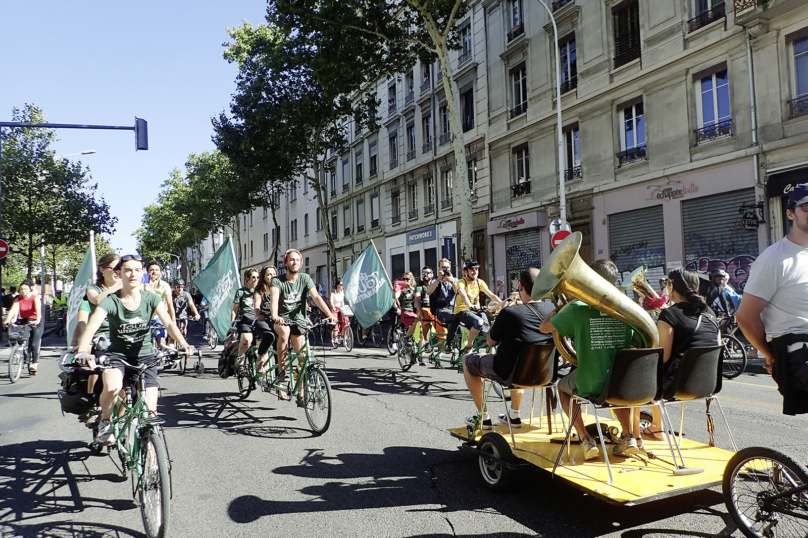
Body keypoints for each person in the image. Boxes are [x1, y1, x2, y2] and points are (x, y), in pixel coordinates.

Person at [76, 254, 193, 445]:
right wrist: (83, 350)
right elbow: (91, 326)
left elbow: (170, 323)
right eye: (127, 270)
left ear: (142, 274)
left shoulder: (151, 299)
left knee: (150, 413)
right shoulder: (111, 301)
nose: (133, 274)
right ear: (119, 274)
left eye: (137, 270)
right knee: (113, 387)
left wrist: (184, 344)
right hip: (117, 356)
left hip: (145, 357)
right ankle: (106, 421)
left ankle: (152, 457)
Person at [540, 259, 638, 460]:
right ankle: (628, 436)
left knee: (561, 387)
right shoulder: (628, 308)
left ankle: (586, 438)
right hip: (622, 382)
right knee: (613, 393)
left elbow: (545, 328)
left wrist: (560, 309)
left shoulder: (576, 308)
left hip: (591, 382)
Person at [737, 184, 808, 416]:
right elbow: (745, 316)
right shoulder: (775, 259)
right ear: (790, 213)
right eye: (806, 207)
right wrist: (770, 354)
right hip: (800, 353)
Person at [463, 268, 555, 429]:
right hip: (545, 375)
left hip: (511, 374)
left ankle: (483, 418)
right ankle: (514, 415)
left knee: (467, 361)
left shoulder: (510, 313)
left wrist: (501, 316)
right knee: (520, 362)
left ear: (520, 286)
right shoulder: (553, 311)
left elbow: (490, 342)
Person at [643, 268, 720, 439]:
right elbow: (717, 347)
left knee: (639, 375)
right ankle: (655, 425)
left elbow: (663, 356)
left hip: (677, 386)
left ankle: (642, 433)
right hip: (709, 385)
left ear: (671, 286)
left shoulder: (669, 315)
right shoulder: (711, 314)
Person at [270, 249, 336, 404]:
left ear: (301, 263)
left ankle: (301, 393)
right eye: (291, 260)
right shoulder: (277, 281)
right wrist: (275, 316)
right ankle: (282, 371)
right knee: (284, 332)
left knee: (302, 359)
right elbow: (274, 299)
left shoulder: (305, 278)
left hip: (299, 321)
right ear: (285, 263)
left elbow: (316, 297)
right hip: (281, 321)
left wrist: (330, 314)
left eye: (297, 260)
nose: (295, 262)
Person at [454, 259, 501, 354]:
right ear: (465, 271)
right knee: (479, 322)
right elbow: (463, 295)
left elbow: (492, 295)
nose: (474, 271)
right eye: (471, 269)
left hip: (477, 311)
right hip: (463, 311)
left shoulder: (479, 282)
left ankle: (491, 356)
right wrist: (470, 306)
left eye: (476, 268)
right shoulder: (462, 282)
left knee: (490, 330)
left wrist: (503, 303)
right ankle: (469, 346)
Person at [3, 279, 43, 375]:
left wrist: (37, 320)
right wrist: (7, 320)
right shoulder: (18, 299)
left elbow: (38, 310)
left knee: (34, 344)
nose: (23, 291)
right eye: (21, 289)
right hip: (25, 320)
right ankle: (25, 358)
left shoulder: (35, 298)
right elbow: (13, 310)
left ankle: (34, 363)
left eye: (25, 289)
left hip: (36, 322)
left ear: (29, 290)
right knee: (22, 339)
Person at [427, 258, 458, 351]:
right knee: (455, 318)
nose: (445, 270)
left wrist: (452, 281)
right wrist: (439, 279)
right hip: (441, 309)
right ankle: (448, 344)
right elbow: (428, 292)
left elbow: (458, 292)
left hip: (453, 308)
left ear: (450, 268)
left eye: (447, 268)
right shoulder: (435, 280)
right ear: (439, 268)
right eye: (443, 268)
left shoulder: (455, 280)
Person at [143, 261, 175, 349]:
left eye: (157, 270)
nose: (154, 272)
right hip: (144, 317)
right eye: (151, 270)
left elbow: (170, 304)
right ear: (147, 272)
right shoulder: (142, 284)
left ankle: (163, 356)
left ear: (160, 272)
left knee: (160, 339)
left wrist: (173, 321)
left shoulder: (164, 285)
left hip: (159, 317)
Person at [253, 264, 278, 374]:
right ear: (263, 276)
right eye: (269, 274)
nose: (272, 276)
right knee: (269, 336)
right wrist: (259, 315)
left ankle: (280, 376)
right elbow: (257, 305)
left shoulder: (279, 287)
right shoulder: (259, 290)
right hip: (264, 320)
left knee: (280, 345)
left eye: (274, 274)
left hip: (276, 320)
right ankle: (259, 359)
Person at [232, 268, 260, 364]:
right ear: (247, 278)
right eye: (253, 277)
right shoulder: (241, 292)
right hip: (245, 320)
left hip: (258, 320)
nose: (256, 279)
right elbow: (235, 310)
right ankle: (240, 357)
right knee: (247, 340)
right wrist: (231, 325)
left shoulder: (261, 292)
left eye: (258, 277)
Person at [415, 266, 439, 350]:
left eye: (427, 273)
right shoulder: (420, 285)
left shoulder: (436, 283)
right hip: (424, 308)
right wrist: (420, 311)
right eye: (423, 273)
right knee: (426, 315)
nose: (425, 275)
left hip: (435, 308)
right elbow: (417, 299)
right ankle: (427, 341)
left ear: (432, 274)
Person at [329, 279, 350, 344]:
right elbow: (331, 301)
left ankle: (343, 334)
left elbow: (348, 299)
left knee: (346, 321)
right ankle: (335, 338)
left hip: (342, 308)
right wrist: (333, 307)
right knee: (335, 321)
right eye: (341, 284)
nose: (342, 286)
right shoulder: (333, 292)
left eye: (342, 285)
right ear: (337, 285)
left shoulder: (343, 292)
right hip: (335, 308)